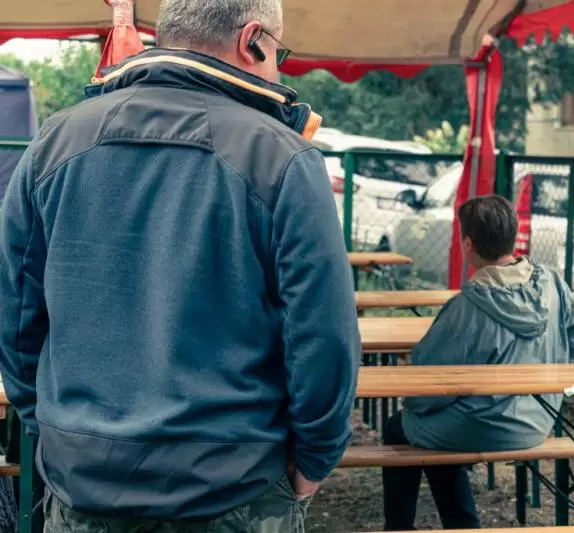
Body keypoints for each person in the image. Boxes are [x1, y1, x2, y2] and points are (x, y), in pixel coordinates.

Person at [0, 0, 361, 531]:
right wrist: (315, 460)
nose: (278, 69)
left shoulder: (54, 142)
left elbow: (15, 313)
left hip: (83, 477)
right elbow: (324, 335)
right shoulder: (283, 157)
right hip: (234, 484)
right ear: (253, 39)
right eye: (278, 53)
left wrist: (54, 427)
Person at [381, 195, 574, 531]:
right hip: (539, 419)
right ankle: (460, 524)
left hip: (482, 425)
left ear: (468, 243)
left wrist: (414, 406)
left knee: (403, 428)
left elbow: (429, 386)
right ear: (513, 236)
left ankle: (402, 527)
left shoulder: (466, 307)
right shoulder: (553, 284)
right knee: (441, 431)